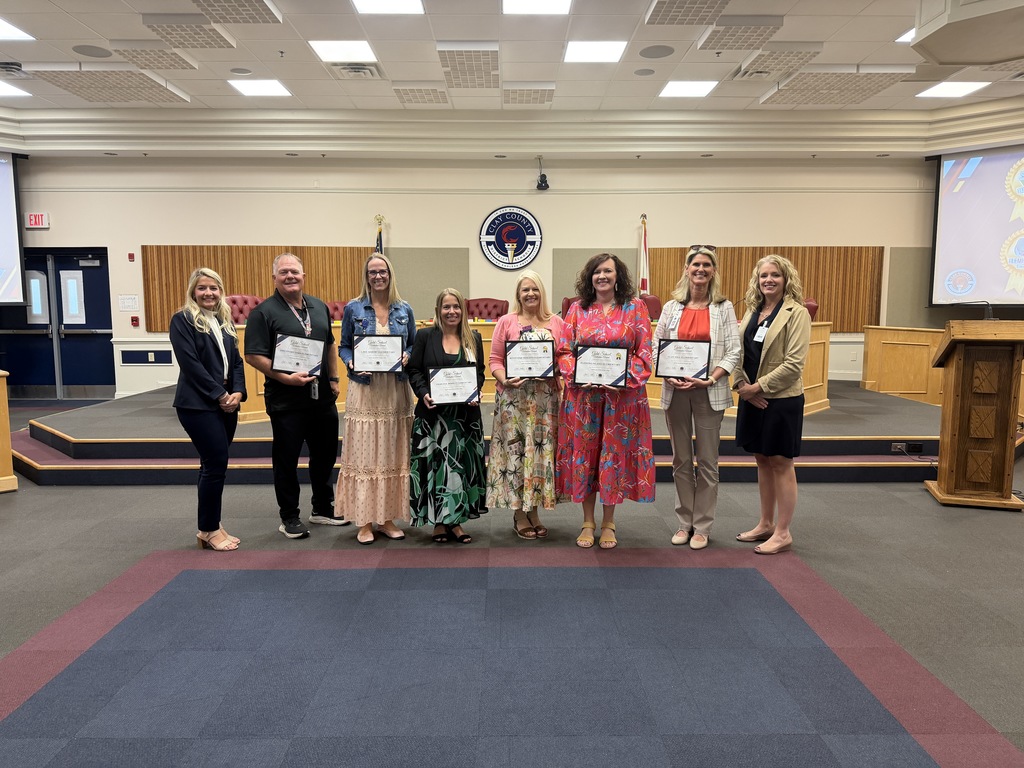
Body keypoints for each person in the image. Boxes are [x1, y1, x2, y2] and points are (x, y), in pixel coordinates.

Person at [243, 253, 346, 540]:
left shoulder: (318, 306)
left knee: (325, 454)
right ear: (274, 277)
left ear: (303, 275)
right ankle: (289, 515)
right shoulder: (263, 312)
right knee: (287, 459)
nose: (290, 276)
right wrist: (283, 376)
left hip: (321, 396)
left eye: (295, 272)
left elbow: (330, 345)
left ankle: (322, 508)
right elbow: (253, 355)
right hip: (286, 398)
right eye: (284, 272)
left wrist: (335, 378)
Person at [556, 253, 655, 549]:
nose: (602, 276)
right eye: (597, 271)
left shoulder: (635, 308)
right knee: (585, 455)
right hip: (584, 398)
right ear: (590, 277)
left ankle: (609, 523)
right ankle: (587, 522)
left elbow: (644, 352)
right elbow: (563, 351)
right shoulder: (577, 309)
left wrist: (620, 378)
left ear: (617, 276)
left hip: (620, 400)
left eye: (608, 271)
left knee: (612, 455)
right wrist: (576, 375)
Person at [654, 245, 740, 550]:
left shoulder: (723, 307)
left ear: (713, 271)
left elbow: (733, 351)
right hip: (675, 391)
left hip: (709, 392)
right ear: (686, 269)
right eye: (695, 264)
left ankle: (702, 526)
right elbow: (656, 347)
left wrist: (712, 377)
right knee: (680, 460)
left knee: (707, 461)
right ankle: (684, 522)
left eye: (706, 265)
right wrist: (667, 374)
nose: (700, 269)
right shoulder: (670, 307)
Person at [732, 254, 811, 555]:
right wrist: (742, 385)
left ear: (785, 278)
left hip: (781, 399)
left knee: (781, 462)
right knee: (761, 460)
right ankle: (765, 523)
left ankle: (783, 531)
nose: (769, 280)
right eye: (764, 275)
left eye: (775, 275)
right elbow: (736, 352)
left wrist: (756, 387)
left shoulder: (797, 313)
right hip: (751, 397)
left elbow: (794, 364)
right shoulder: (753, 311)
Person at [336, 252, 416, 545]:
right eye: (372, 272)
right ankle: (365, 521)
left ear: (390, 274)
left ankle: (387, 518)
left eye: (383, 271)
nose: (378, 276)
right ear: (366, 276)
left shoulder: (404, 308)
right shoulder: (353, 308)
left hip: (394, 390)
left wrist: (406, 355)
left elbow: (413, 345)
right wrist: (352, 362)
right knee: (365, 454)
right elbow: (344, 346)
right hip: (366, 389)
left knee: (392, 453)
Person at [170, 267, 247, 551]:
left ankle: (210, 525)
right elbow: (191, 364)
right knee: (216, 464)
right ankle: (208, 529)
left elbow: (236, 362)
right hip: (197, 404)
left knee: (213, 465)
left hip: (227, 401)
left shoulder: (224, 321)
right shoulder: (183, 320)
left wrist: (238, 391)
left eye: (214, 288)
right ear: (193, 291)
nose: (208, 293)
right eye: (202, 288)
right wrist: (220, 395)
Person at [486, 270, 565, 539]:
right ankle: (519, 513)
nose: (530, 294)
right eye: (524, 290)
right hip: (513, 400)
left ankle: (535, 512)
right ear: (518, 295)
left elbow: (565, 358)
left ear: (542, 292)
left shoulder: (557, 322)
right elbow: (495, 360)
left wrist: (560, 371)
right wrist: (505, 379)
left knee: (539, 455)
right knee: (518, 453)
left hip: (545, 401)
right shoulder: (506, 321)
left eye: (534, 289)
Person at [407, 288, 486, 543]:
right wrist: (423, 393)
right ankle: (439, 523)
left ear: (463, 310)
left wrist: (477, 389)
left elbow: (480, 372)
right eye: (446, 307)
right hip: (433, 417)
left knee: (460, 467)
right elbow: (415, 370)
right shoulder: (425, 336)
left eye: (456, 307)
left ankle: (457, 521)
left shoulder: (473, 337)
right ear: (438, 310)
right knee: (436, 468)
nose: (451, 311)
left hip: (464, 418)